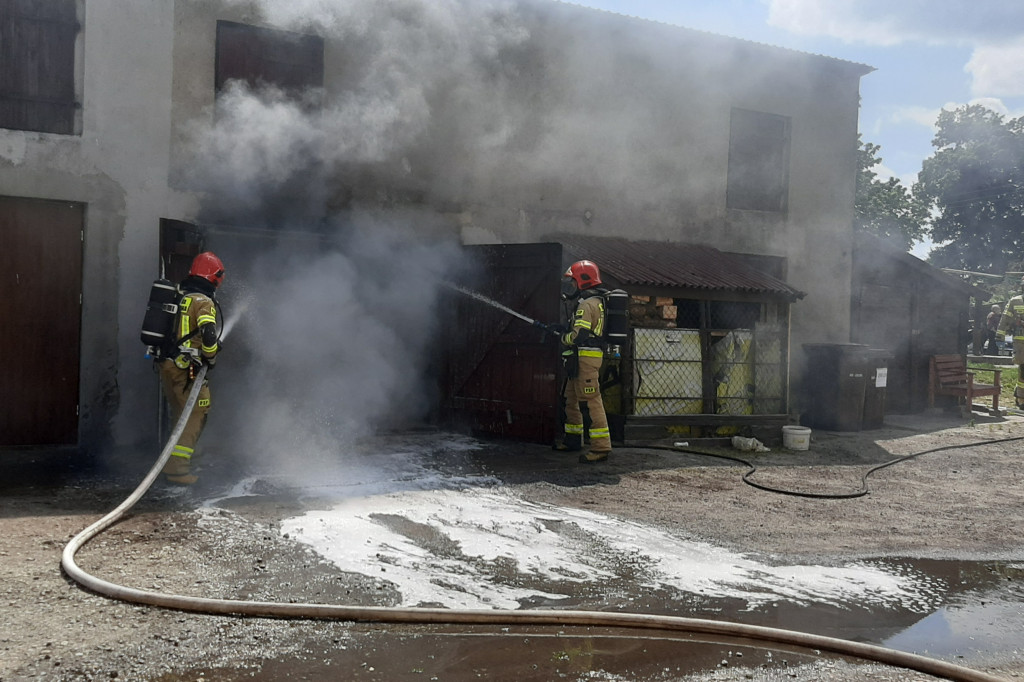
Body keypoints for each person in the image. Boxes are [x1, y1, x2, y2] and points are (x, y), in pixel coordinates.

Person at [159, 251, 225, 484]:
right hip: (186, 369)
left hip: (168, 365)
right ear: (214, 277)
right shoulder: (203, 301)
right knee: (197, 412)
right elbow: (208, 334)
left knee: (181, 413)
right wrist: (212, 356)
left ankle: (182, 457)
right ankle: (177, 470)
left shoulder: (180, 295)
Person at [555, 260, 612, 463]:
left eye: (573, 282)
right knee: (570, 398)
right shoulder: (593, 301)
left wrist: (563, 338)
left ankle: (601, 447)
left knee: (590, 401)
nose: (571, 287)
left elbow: (579, 336)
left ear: (584, 281)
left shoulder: (587, 305)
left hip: (586, 359)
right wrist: (564, 328)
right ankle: (573, 439)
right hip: (581, 359)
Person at [997, 276, 1024, 409]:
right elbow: (1005, 318)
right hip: (1020, 343)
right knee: (1023, 368)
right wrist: (1000, 334)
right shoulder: (1015, 301)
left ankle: (1018, 394)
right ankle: (1021, 398)